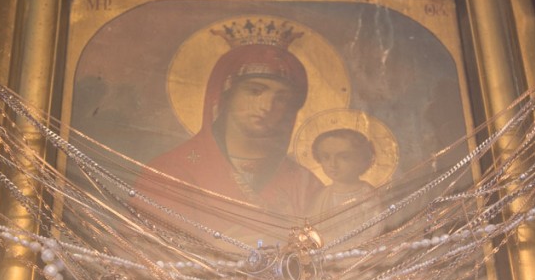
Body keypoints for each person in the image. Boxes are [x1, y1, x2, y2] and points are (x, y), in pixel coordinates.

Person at [144, 23, 323, 221]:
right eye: (255, 91)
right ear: (226, 94)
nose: (267, 106)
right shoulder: (170, 172)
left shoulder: (305, 185)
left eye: (281, 99)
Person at [310, 127, 377, 217]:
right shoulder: (322, 195)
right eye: (326, 157)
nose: (333, 164)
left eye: (344, 157)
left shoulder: (368, 194)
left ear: (360, 159)